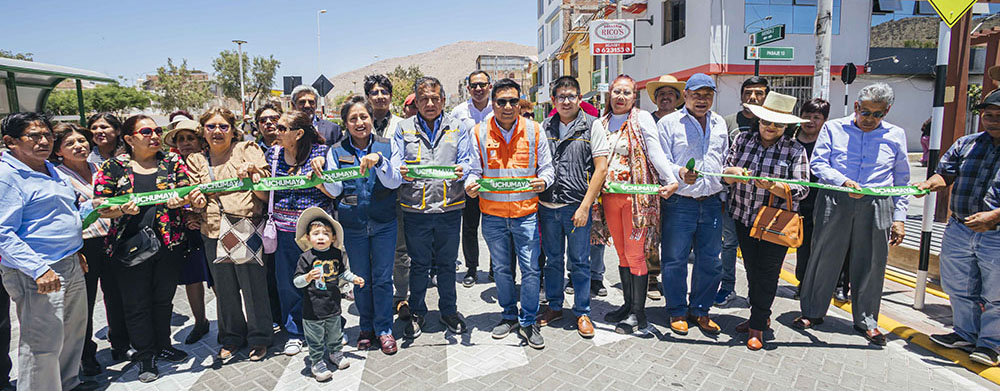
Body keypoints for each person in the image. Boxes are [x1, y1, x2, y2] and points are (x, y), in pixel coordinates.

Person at [795, 83, 909, 347]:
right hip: (836, 198)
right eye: (865, 112)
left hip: (877, 203)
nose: (870, 119)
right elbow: (819, 163)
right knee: (824, 256)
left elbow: (902, 178)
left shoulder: (896, 135)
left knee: (870, 263)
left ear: (887, 111)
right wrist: (843, 181)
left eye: (878, 114)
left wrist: (900, 217)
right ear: (856, 106)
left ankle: (867, 320)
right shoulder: (833, 128)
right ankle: (811, 312)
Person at [94, 114, 206, 382]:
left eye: (157, 130)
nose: (154, 136)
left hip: (169, 245)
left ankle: (163, 345)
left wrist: (187, 202)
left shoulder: (172, 161)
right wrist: (120, 209)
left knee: (162, 300)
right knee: (136, 304)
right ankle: (145, 356)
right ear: (130, 139)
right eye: (146, 131)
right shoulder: (114, 167)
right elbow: (99, 205)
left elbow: (186, 191)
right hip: (129, 248)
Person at [0, 113, 99, 391]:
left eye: (47, 135)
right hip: (39, 271)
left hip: (69, 262)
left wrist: (77, 246)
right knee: (41, 345)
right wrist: (38, 269)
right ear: (10, 141)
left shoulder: (50, 169)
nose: (44, 141)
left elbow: (65, 212)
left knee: (71, 334)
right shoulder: (7, 177)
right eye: (34, 136)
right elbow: (2, 232)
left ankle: (68, 383)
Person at [465, 78, 554, 349]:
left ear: (519, 103)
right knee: (502, 270)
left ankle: (528, 321)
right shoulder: (479, 132)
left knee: (530, 269)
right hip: (492, 215)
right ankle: (508, 315)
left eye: (513, 101)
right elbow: (473, 170)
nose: (507, 106)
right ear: (492, 103)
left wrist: (544, 181)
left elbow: (547, 169)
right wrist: (470, 184)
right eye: (501, 101)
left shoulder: (534, 130)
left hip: (526, 214)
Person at [721, 92, 809, 350]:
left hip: (775, 224)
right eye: (766, 122)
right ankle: (759, 315)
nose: (771, 127)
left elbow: (802, 188)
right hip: (743, 217)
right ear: (758, 120)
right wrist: (732, 173)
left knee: (768, 273)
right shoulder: (742, 140)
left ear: (787, 127)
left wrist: (775, 187)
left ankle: (757, 325)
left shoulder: (795, 150)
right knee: (751, 270)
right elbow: (724, 174)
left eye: (778, 124)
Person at [185, 107, 274, 362]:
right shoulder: (196, 160)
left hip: (244, 225)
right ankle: (232, 337)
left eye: (223, 126)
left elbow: (265, 194)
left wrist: (254, 176)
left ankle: (259, 338)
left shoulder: (247, 150)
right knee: (225, 290)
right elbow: (195, 202)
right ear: (203, 130)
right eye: (211, 126)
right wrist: (197, 202)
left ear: (232, 130)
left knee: (252, 287)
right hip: (212, 228)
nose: (217, 131)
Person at [587, 74, 672, 336]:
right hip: (610, 199)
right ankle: (627, 305)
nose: (621, 97)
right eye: (617, 92)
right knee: (622, 254)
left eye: (627, 92)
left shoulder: (642, 119)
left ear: (634, 96)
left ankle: (639, 312)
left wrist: (669, 178)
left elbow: (655, 151)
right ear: (609, 94)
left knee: (636, 254)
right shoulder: (601, 123)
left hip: (637, 200)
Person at [920, 90, 1000, 366]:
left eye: (999, 116)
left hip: (996, 234)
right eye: (987, 115)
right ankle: (966, 333)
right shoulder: (967, 144)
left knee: (996, 293)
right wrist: (930, 183)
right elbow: (945, 173)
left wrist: (994, 216)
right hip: (960, 229)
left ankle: (992, 345)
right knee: (958, 286)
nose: (992, 121)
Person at [646, 73, 728, 336]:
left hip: (712, 202)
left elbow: (723, 158)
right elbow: (659, 160)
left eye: (707, 95)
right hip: (680, 204)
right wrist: (679, 172)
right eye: (697, 94)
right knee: (674, 260)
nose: (702, 100)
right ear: (686, 96)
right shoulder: (669, 123)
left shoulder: (720, 124)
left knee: (710, 261)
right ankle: (677, 310)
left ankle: (701, 310)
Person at [322, 96, 403, 354]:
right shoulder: (335, 151)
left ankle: (384, 330)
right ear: (345, 123)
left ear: (371, 119)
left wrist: (379, 161)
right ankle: (366, 328)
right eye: (353, 118)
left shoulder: (388, 146)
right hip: (353, 225)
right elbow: (334, 190)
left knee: (381, 279)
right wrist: (321, 174)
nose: (359, 122)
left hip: (384, 223)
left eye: (364, 117)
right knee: (360, 280)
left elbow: (395, 182)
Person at [392, 76, 471, 339]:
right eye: (423, 98)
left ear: (443, 100)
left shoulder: (458, 127)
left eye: (435, 98)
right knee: (419, 264)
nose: (429, 103)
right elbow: (395, 163)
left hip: (450, 207)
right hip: (416, 209)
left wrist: (463, 171)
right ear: (416, 100)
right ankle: (417, 312)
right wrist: (401, 172)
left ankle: (449, 310)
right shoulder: (403, 128)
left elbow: (468, 160)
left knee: (448, 264)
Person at [50, 123, 127, 376]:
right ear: (58, 150)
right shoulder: (56, 176)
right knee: (84, 304)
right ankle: (86, 355)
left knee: (117, 296)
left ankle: (121, 344)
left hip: (112, 239)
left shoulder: (103, 169)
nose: (79, 146)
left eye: (82, 140)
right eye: (70, 143)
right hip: (83, 246)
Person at [536, 76, 608, 338]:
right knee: (552, 261)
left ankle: (582, 312)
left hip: (576, 208)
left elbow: (601, 169)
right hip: (547, 207)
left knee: (579, 262)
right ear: (553, 100)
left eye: (571, 96)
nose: (566, 101)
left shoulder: (592, 126)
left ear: (580, 99)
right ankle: (554, 307)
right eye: (561, 97)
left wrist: (585, 206)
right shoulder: (543, 127)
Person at [267, 110, 337, 356]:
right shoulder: (273, 155)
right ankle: (295, 331)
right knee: (289, 284)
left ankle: (325, 329)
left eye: (282, 128)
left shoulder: (321, 154)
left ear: (298, 133)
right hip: (285, 231)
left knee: (322, 281)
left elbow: (333, 192)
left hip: (315, 233)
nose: (276, 132)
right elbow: (266, 191)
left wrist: (321, 178)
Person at [291, 208, 364, 381]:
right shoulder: (306, 257)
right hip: (313, 308)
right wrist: (308, 276)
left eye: (326, 233)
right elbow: (296, 282)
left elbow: (341, 274)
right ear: (308, 238)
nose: (321, 237)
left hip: (333, 304)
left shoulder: (336, 254)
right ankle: (316, 362)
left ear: (333, 238)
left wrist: (354, 279)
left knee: (335, 333)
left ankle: (335, 353)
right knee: (315, 338)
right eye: (316, 233)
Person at [715, 76, 768, 307]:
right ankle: (727, 287)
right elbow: (721, 158)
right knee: (729, 244)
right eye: (748, 92)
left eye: (758, 93)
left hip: (765, 201)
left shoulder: (774, 121)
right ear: (741, 95)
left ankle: (756, 293)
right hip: (733, 198)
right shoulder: (727, 122)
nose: (753, 97)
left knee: (759, 250)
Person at [162, 115, 214, 346]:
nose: (185, 143)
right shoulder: (168, 165)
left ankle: (229, 324)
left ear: (201, 140)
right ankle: (200, 321)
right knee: (192, 279)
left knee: (217, 279)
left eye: (190, 138)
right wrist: (187, 217)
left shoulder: (209, 161)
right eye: (180, 139)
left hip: (211, 226)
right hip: (185, 230)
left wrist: (199, 214)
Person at [363, 75, 411, 321]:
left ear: (391, 97)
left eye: (384, 91)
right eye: (374, 92)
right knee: (371, 251)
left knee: (399, 251)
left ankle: (400, 296)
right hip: (368, 198)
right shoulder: (360, 123)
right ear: (368, 97)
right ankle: (375, 295)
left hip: (397, 196)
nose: (380, 96)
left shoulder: (402, 125)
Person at [793, 98, 849, 301]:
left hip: (829, 200)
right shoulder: (792, 140)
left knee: (834, 245)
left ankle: (840, 285)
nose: (810, 121)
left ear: (825, 120)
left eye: (816, 117)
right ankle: (804, 282)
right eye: (806, 116)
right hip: (801, 203)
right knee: (804, 245)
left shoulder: (830, 142)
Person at [642, 74, 686, 300]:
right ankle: (651, 278)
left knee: (674, 237)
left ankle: (672, 281)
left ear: (678, 98)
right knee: (651, 234)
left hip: (680, 188)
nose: (665, 98)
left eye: (670, 94)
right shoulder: (646, 120)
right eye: (661, 94)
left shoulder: (685, 121)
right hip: (651, 186)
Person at [450, 70, 493, 286]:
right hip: (469, 179)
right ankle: (471, 268)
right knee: (469, 226)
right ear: (468, 88)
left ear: (489, 87)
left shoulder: (499, 108)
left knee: (496, 225)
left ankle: (496, 267)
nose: (478, 89)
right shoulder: (458, 112)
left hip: (495, 178)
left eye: (482, 85)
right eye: (474, 85)